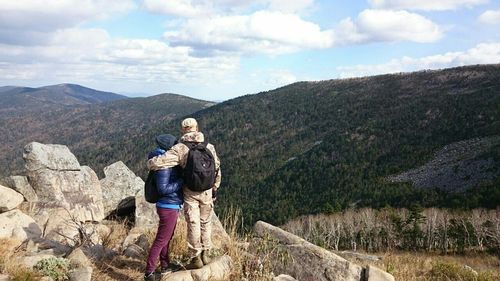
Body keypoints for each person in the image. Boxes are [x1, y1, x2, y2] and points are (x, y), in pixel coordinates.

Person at [148, 118, 221, 270]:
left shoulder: (181, 148)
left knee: (193, 223)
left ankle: (195, 257)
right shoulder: (209, 146)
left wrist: (150, 163)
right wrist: (214, 187)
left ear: (183, 131)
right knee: (206, 221)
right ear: (197, 128)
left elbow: (160, 162)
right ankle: (206, 252)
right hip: (207, 190)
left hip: (190, 191)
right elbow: (217, 168)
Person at [144, 134, 184, 281]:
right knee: (161, 240)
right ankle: (149, 272)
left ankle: (165, 266)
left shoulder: (162, 160)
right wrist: (181, 181)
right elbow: (163, 189)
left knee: (166, 238)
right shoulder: (164, 165)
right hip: (168, 206)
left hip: (170, 205)